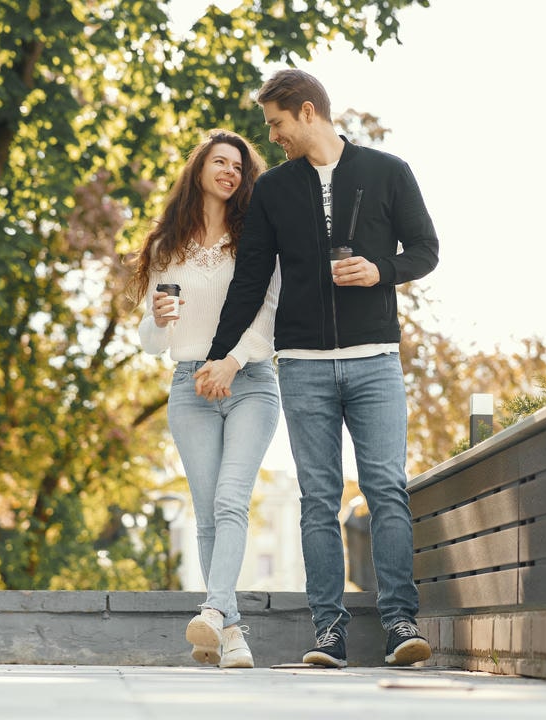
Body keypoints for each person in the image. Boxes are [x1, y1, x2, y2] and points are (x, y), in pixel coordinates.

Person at [194, 69, 439, 668]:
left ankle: (399, 621)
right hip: (302, 366)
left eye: (276, 123)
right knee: (318, 498)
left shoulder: (389, 171)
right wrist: (221, 355)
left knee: (386, 489)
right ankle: (328, 631)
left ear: (306, 112)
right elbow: (252, 279)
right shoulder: (274, 191)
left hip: (375, 360)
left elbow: (426, 250)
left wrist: (380, 270)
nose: (271, 136)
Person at [127, 129, 281, 669]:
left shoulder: (256, 237)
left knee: (232, 499)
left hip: (250, 380)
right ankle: (231, 632)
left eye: (238, 166)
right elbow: (149, 341)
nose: (230, 172)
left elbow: (267, 314)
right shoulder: (167, 247)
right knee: (208, 514)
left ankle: (213, 612)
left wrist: (231, 363)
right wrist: (156, 319)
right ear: (199, 171)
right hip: (189, 384)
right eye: (219, 162)